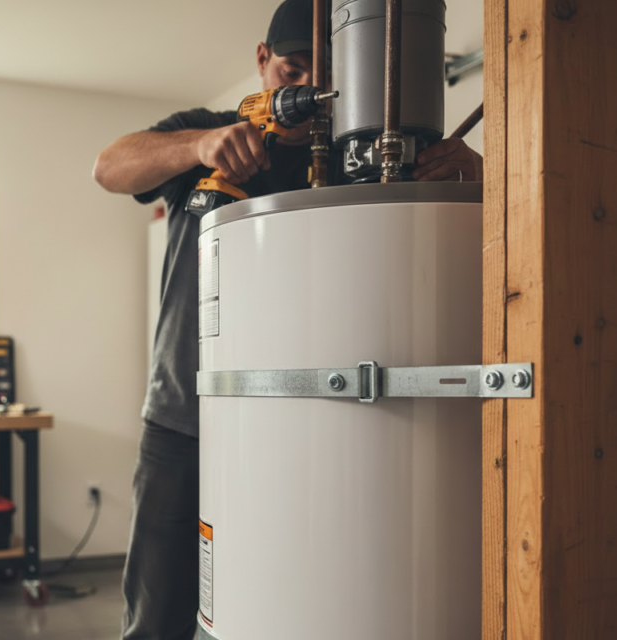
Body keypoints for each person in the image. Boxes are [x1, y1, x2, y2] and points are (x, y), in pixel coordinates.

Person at [92, 1, 482, 638]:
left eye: (321, 76)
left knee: (291, 600)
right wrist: (198, 145)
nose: (303, 89)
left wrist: (477, 181)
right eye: (289, 70)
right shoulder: (207, 133)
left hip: (304, 426)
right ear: (261, 61)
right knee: (157, 617)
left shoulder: (373, 156)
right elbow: (108, 166)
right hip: (180, 420)